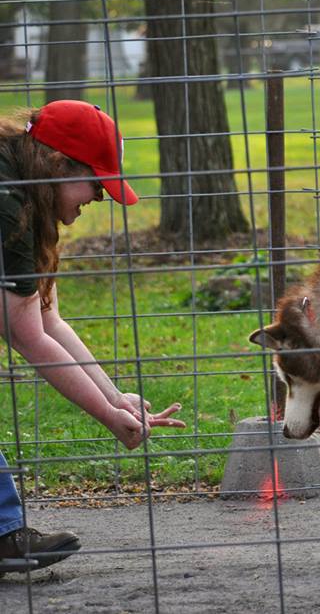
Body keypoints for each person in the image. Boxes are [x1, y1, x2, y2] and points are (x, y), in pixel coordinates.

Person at [0, 100, 186, 572]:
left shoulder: (31, 198)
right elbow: (26, 337)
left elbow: (49, 322)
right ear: (58, 164)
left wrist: (116, 397)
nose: (97, 201)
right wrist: (106, 415)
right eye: (96, 187)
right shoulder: (9, 204)